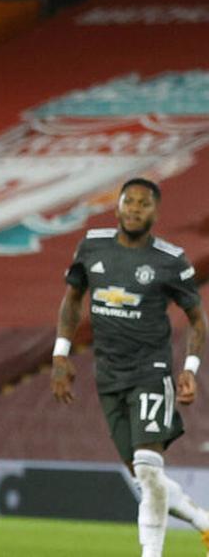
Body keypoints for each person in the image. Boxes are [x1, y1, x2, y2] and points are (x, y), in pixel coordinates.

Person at [51, 178, 208, 557]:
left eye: (144, 203)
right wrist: (60, 355)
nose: (135, 208)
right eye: (129, 201)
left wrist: (189, 368)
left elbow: (197, 319)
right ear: (117, 206)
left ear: (155, 212)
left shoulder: (170, 260)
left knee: (150, 470)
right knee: (144, 474)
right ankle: (203, 521)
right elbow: (72, 301)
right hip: (108, 373)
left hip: (151, 371)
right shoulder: (91, 246)